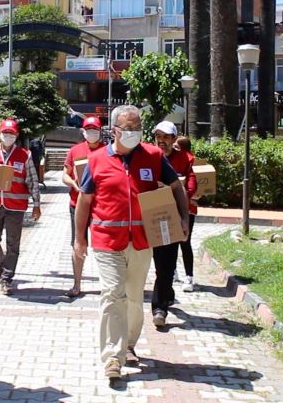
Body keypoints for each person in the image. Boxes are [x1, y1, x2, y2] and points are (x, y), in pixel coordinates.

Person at [74, 105, 190, 379]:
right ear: (114, 130)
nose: (134, 134)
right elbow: (84, 200)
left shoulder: (152, 156)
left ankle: (128, 345)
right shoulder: (98, 160)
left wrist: (183, 218)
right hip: (106, 240)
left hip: (141, 241)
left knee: (135, 298)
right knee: (113, 293)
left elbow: (176, 186)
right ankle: (112, 357)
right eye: (128, 129)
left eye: (138, 128)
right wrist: (80, 239)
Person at [0, 119, 41, 295]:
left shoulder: (25, 155)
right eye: (5, 133)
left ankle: (7, 278)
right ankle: (4, 266)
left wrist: (36, 204)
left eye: (11, 134)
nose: (8, 136)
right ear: (0, 134)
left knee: (13, 244)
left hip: (16, 205)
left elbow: (33, 181)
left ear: (16, 136)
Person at [150, 122, 198, 327]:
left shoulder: (185, 159)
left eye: (167, 137)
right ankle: (166, 292)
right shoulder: (148, 156)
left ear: (174, 139)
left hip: (173, 216)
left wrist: (174, 186)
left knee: (167, 259)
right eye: (158, 136)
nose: (162, 140)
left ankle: (159, 308)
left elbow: (192, 186)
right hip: (149, 214)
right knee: (157, 261)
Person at [61, 116, 106, 298]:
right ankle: (76, 283)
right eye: (88, 129)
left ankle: (107, 284)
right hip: (77, 203)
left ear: (100, 131)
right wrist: (73, 183)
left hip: (101, 205)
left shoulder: (108, 151)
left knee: (103, 244)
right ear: (83, 131)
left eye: (95, 129)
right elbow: (65, 174)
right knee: (77, 242)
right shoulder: (75, 151)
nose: (92, 133)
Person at [174, 136, 199, 292]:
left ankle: (188, 276)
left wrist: (179, 199)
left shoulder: (190, 161)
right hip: (179, 207)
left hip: (187, 209)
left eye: (177, 145)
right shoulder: (171, 159)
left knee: (184, 241)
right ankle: (175, 273)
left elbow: (191, 187)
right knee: (175, 241)